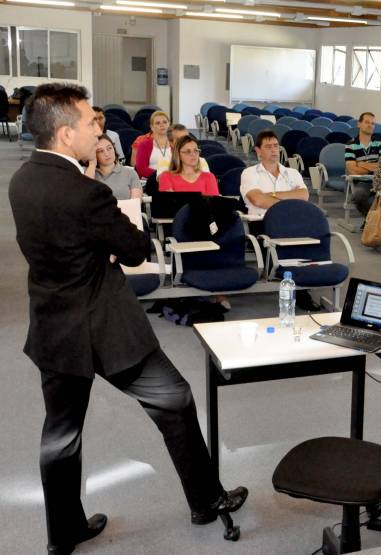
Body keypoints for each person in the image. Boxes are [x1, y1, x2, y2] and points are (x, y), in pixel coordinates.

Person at [8, 83, 246, 555]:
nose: (97, 131)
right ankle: (205, 500)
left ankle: (63, 533)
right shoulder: (86, 193)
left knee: (60, 434)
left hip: (54, 327)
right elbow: (136, 249)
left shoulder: (21, 181)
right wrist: (107, 236)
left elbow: (59, 243)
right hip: (106, 327)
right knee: (175, 400)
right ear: (64, 133)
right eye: (88, 123)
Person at [240, 129, 309, 218]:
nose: (273, 150)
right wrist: (291, 199)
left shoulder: (293, 173)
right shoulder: (249, 173)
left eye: (276, 146)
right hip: (262, 222)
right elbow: (258, 200)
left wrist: (270, 195)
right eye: (268, 147)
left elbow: (304, 195)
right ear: (258, 151)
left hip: (291, 220)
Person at [345, 112, 381, 216]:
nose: (370, 125)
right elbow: (352, 170)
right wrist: (374, 166)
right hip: (362, 183)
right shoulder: (350, 145)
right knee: (358, 195)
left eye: (372, 123)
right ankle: (372, 220)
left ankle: (373, 220)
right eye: (367, 122)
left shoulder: (380, 144)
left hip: (380, 181)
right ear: (359, 124)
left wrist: (360, 163)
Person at [87, 134, 142, 200]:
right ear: (94, 154)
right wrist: (92, 165)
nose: (107, 154)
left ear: (114, 148)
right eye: (100, 151)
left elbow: (136, 202)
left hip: (125, 207)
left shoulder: (130, 173)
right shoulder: (89, 173)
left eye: (109, 148)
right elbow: (85, 195)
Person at [133, 110, 170, 178]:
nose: (162, 125)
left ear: (169, 124)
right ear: (152, 127)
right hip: (152, 180)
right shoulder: (144, 145)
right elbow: (141, 169)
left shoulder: (177, 144)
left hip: (174, 180)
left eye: (165, 122)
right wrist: (162, 175)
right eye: (158, 123)